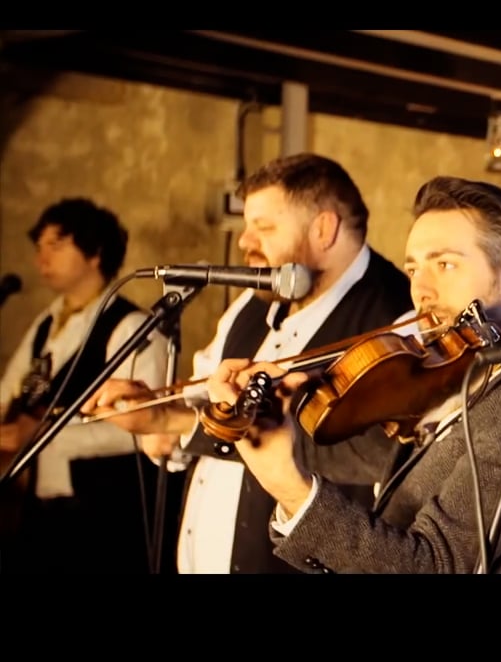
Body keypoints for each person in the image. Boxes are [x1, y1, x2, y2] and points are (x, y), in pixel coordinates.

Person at [185, 175, 501, 573]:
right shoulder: (457, 384)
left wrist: (291, 487)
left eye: (445, 265)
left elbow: (433, 565)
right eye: (413, 269)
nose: (421, 291)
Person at [85, 153, 413, 574]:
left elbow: (373, 455)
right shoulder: (251, 302)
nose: (244, 241)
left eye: (264, 227)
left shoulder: (397, 320)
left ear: (324, 229)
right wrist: (160, 419)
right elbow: (200, 397)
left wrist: (178, 424)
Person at [0, 198, 169, 574]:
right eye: (39, 246)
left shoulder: (131, 326)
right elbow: (11, 390)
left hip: (104, 513)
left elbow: (145, 426)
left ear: (95, 253)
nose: (41, 258)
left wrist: (41, 434)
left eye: (56, 245)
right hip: (40, 506)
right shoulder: (46, 323)